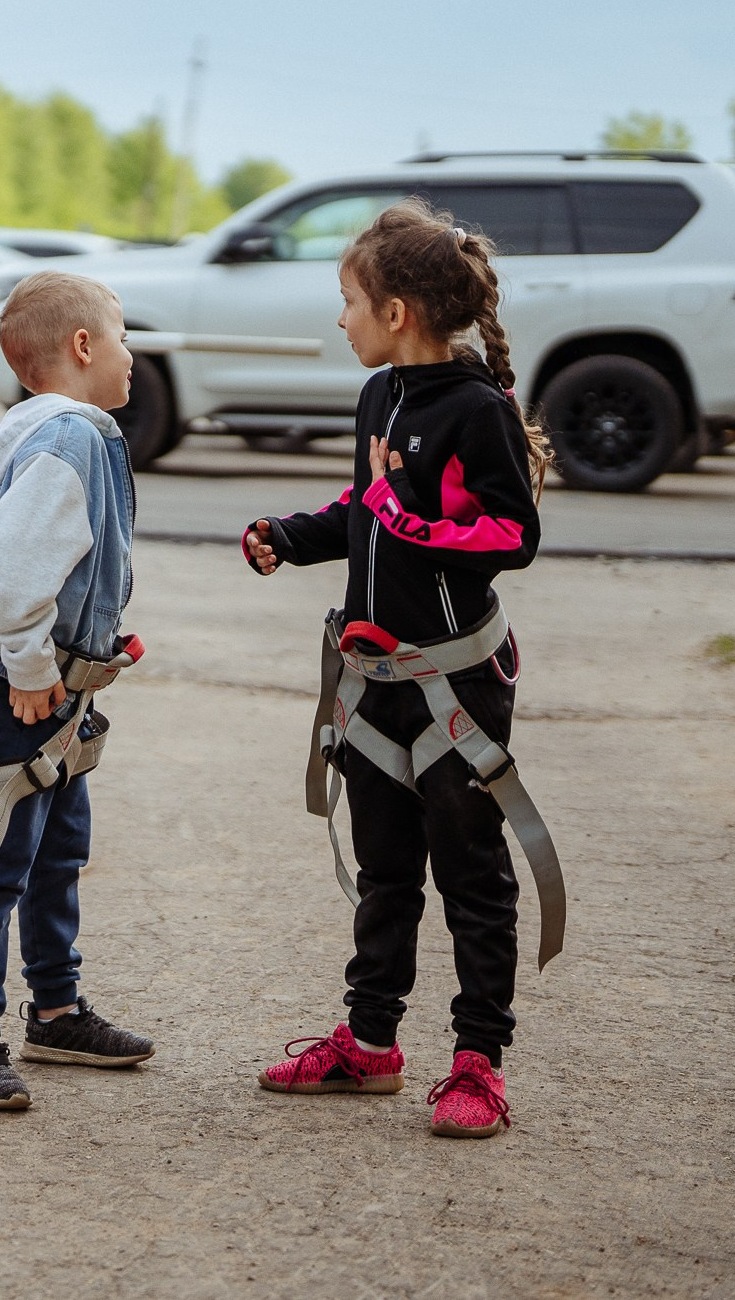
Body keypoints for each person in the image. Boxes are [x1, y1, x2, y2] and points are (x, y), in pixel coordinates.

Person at [243, 200, 549, 1139]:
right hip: (373, 685)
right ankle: (370, 1042)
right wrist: (290, 536)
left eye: (349, 301)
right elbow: (365, 508)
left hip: (457, 685)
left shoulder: (478, 411)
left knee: (472, 875)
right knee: (385, 870)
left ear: (397, 311)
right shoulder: (380, 397)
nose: (341, 318)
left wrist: (408, 516)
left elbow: (512, 535)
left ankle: (478, 1063)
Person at [0, 272, 157, 1111]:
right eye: (123, 338)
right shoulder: (68, 441)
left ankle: (56, 1011)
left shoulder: (54, 433)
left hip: (61, 689)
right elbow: (19, 565)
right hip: (29, 689)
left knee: (57, 852)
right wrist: (27, 666)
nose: (133, 356)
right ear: (83, 347)